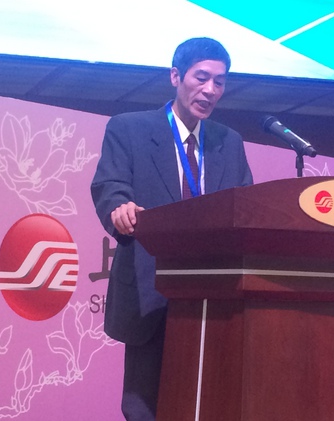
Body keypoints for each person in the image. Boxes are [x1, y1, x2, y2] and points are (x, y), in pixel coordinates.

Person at [90, 37, 253, 421]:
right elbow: (110, 185)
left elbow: (245, 207)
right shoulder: (129, 128)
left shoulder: (228, 143)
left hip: (213, 296)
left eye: (219, 82)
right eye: (201, 78)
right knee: (144, 407)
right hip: (151, 291)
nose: (210, 90)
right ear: (176, 76)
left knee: (208, 404)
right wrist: (120, 209)